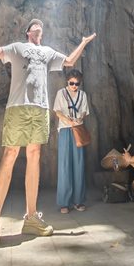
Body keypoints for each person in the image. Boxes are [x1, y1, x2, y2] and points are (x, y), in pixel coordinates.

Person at [0, 9, 96, 246]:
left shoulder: (47, 52)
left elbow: (70, 61)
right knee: (10, 155)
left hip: (40, 109)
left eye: (40, 26)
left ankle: (31, 217)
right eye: (34, 26)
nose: (37, 27)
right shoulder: (16, 48)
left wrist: (82, 43)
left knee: (34, 155)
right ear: (28, 32)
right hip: (18, 107)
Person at [53, 69, 89, 213]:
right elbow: (57, 111)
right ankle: (64, 202)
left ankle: (78, 200)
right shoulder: (61, 93)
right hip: (64, 130)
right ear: (67, 81)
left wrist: (80, 118)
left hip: (78, 131)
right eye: (72, 83)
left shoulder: (82, 95)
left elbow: (84, 110)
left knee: (79, 164)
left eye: (77, 83)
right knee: (64, 165)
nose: (74, 86)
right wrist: (69, 121)